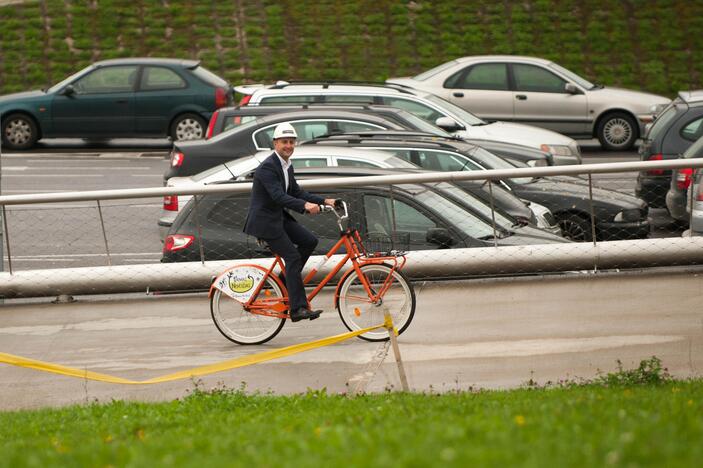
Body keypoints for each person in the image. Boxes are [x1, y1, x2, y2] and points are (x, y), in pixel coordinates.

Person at [243, 122, 337, 322]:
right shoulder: (268, 167)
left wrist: (325, 201)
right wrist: (304, 206)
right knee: (293, 258)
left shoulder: (286, 165)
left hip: (277, 218)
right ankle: (298, 308)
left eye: (291, 142)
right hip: (265, 223)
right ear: (275, 143)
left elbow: (295, 191)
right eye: (284, 142)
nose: (288, 146)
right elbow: (278, 197)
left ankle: (286, 281)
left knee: (309, 241)